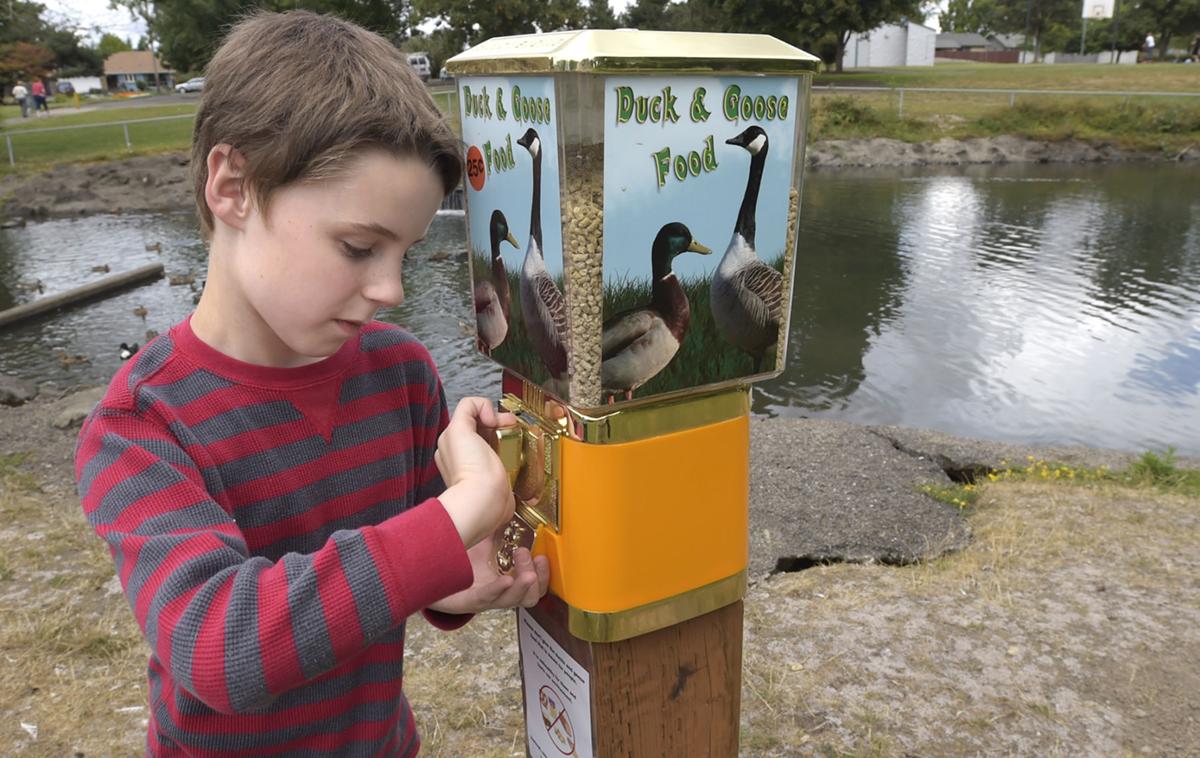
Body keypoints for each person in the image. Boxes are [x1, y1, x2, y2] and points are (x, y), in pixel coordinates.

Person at [74, 10, 549, 756]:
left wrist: (460, 575)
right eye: (358, 247)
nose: (390, 288)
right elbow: (218, 651)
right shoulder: (143, 425)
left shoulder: (400, 374)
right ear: (233, 187)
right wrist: (456, 513)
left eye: (406, 252)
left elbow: (406, 563)